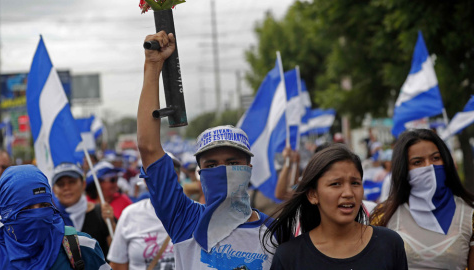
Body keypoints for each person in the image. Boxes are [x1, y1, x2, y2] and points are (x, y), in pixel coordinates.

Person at [137, 31, 274, 269]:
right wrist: (152, 65)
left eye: (233, 164)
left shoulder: (276, 232)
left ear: (249, 169)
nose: (222, 171)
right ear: (199, 172)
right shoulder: (183, 218)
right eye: (211, 165)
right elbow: (149, 148)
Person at [265, 144, 408, 269]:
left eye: (355, 183)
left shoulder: (389, 244)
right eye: (335, 184)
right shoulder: (289, 257)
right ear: (313, 195)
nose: (348, 193)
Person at [370, 129, 474, 269]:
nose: (429, 166)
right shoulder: (383, 216)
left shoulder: (470, 214)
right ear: (404, 169)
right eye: (417, 162)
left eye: (435, 158)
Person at [0, 165, 109, 269]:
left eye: (44, 205)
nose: (38, 215)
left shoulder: (81, 247)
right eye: (27, 208)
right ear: (6, 212)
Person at [107, 156, 181, 270]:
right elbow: (118, 265)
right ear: (146, 180)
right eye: (157, 173)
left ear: (178, 177)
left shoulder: (196, 212)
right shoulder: (130, 214)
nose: (165, 178)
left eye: (171, 172)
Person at [52, 162, 115, 258]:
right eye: (60, 184)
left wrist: (111, 223)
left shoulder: (102, 212)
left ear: (83, 184)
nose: (66, 188)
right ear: (54, 190)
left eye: (72, 182)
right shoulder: (51, 219)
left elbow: (117, 252)